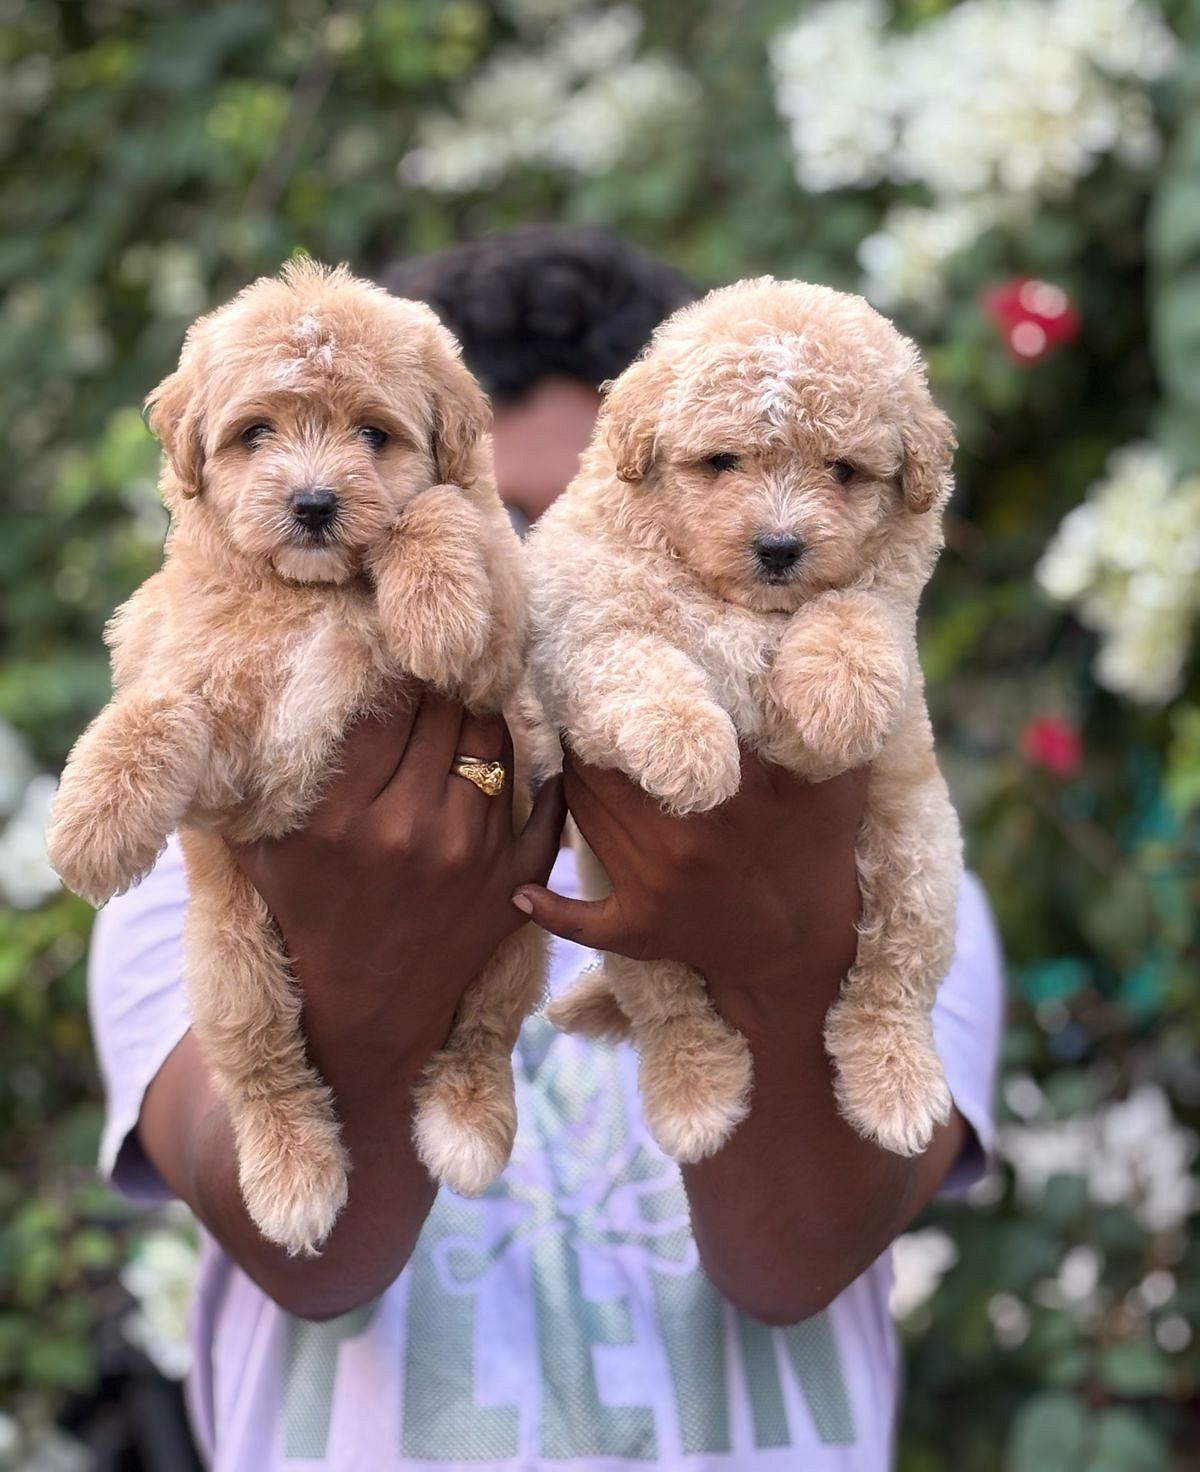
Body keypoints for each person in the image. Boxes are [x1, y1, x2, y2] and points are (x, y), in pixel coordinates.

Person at [89, 225, 1003, 1471]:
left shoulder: (879, 844)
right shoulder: (218, 825)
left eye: (586, 513)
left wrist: (780, 953)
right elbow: (310, 1254)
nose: (540, 570)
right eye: (500, 515)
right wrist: (382, 935)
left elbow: (797, 1264)